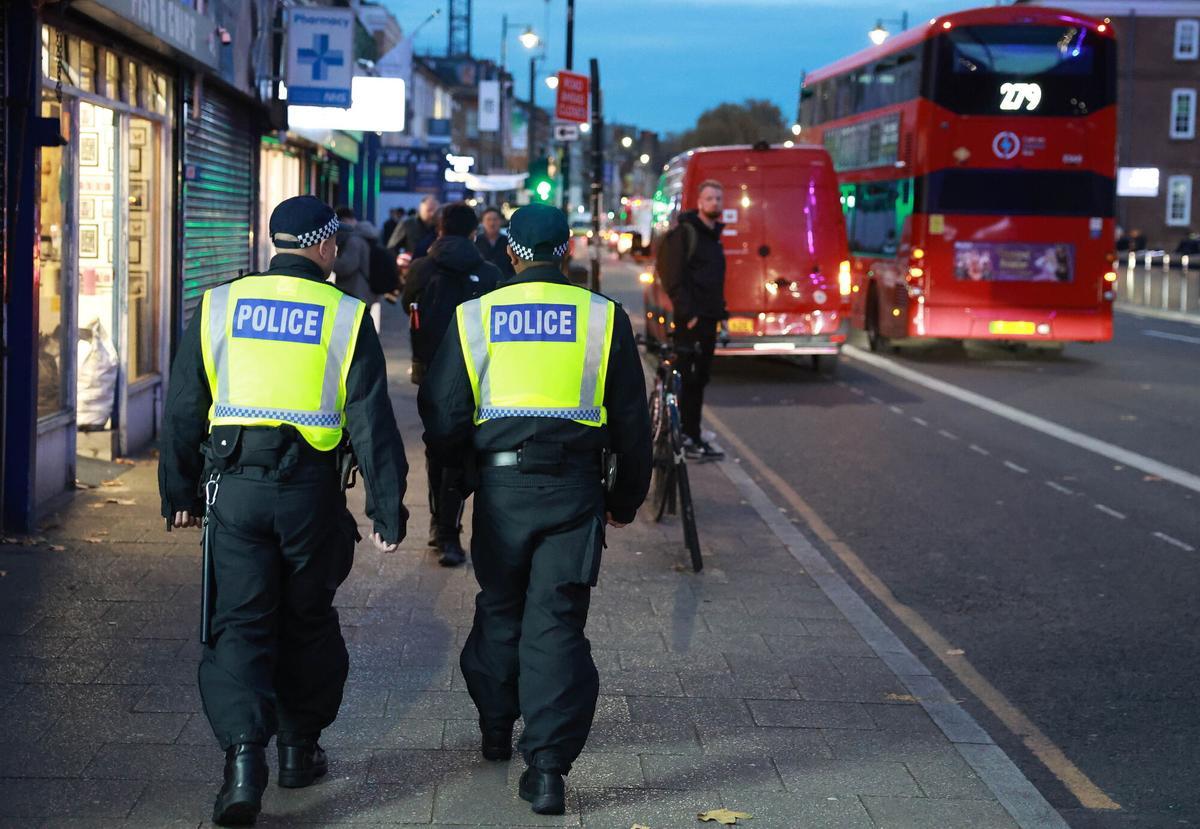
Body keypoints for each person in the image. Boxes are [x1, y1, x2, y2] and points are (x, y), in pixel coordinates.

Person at [158, 195, 409, 827]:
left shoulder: (219, 305)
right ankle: (299, 749)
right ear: (325, 247)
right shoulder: (347, 316)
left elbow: (185, 403)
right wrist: (387, 508)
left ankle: (244, 761)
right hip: (309, 497)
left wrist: (178, 491)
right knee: (307, 618)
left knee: (238, 623)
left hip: (233, 492)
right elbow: (372, 423)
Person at [418, 203, 652, 816]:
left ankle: (496, 730)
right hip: (575, 493)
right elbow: (631, 420)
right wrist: (625, 499)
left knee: (500, 607)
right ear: (567, 249)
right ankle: (547, 769)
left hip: (501, 493)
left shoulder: (477, 316)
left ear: (513, 252)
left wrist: (462, 473)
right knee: (557, 621)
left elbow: (441, 415)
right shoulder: (603, 318)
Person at [403, 202, 503, 566]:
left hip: (431, 369)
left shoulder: (420, 268)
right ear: (474, 232)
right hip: (476, 372)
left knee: (438, 445)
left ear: (440, 230)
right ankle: (453, 528)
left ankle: (441, 528)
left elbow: (407, 306)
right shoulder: (490, 273)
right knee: (467, 446)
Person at [656, 179, 728, 459]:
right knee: (689, 378)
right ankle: (686, 436)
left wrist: (721, 314)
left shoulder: (712, 237)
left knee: (701, 380)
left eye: (719, 199)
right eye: (710, 198)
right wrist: (689, 314)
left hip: (709, 319)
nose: (715, 204)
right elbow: (672, 277)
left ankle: (693, 433)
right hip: (692, 321)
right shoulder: (686, 234)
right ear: (699, 202)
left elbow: (712, 282)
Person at [331, 206, 383, 332]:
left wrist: (330, 259)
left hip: (356, 292)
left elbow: (346, 267)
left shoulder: (354, 240)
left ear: (345, 220)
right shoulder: (367, 235)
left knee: (354, 330)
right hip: (366, 290)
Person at [387, 194, 439, 259]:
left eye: (435, 210)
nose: (432, 214)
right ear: (421, 209)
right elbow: (392, 247)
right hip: (412, 266)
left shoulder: (440, 226)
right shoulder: (408, 224)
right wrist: (399, 260)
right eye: (429, 210)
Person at [475, 206, 515, 277]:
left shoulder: (509, 242)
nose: (492, 223)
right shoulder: (476, 242)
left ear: (501, 221)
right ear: (482, 222)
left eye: (495, 219)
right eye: (488, 219)